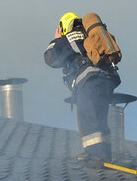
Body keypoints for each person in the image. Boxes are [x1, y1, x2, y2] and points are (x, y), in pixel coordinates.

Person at [43, 11, 121, 166]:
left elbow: (50, 58)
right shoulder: (89, 35)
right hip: (107, 80)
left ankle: (96, 157)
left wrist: (56, 40)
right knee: (99, 117)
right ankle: (105, 155)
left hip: (89, 80)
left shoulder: (69, 38)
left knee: (87, 116)